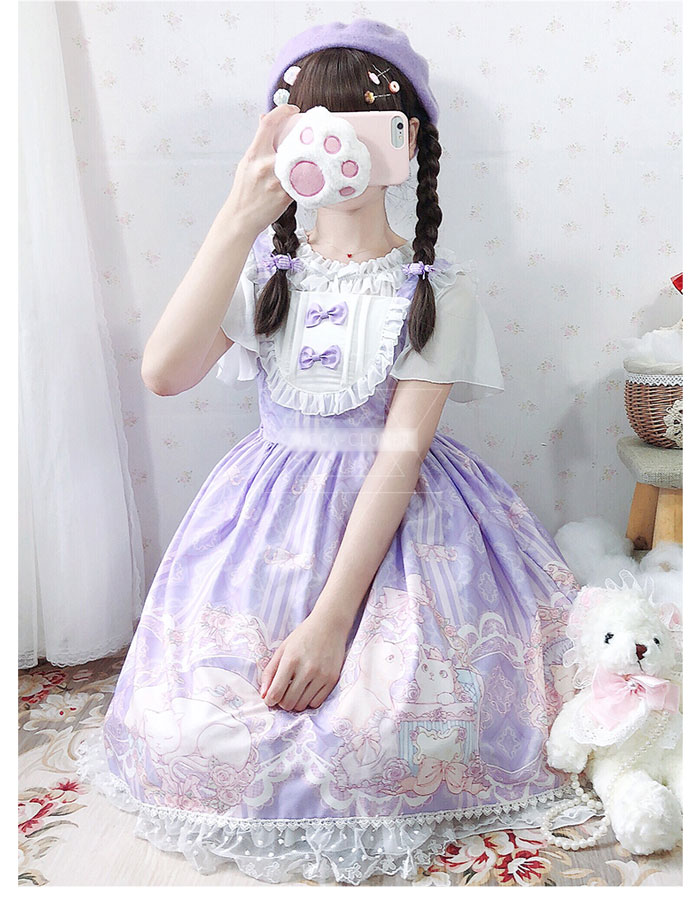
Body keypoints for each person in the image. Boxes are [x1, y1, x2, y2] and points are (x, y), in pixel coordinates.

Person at [79, 18, 587, 885]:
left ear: (406, 141)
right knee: (192, 733)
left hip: (403, 527)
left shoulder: (437, 289)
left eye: (364, 121)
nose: (338, 144)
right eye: (315, 121)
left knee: (389, 734)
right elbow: (163, 373)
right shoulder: (265, 273)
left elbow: (400, 455)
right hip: (263, 523)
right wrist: (238, 216)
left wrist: (329, 623)